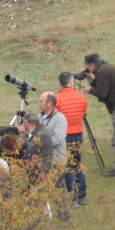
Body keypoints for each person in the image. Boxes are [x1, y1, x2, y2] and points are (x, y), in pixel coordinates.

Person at [82, 53, 115, 177]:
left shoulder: (103, 71)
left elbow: (103, 94)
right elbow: (104, 87)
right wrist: (91, 80)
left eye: (87, 67)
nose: (88, 70)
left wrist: (90, 90)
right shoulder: (106, 68)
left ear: (92, 65)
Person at [56, 72, 88, 207]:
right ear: (72, 82)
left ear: (60, 84)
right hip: (78, 133)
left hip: (65, 135)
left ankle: (72, 197)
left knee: (67, 166)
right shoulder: (81, 97)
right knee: (77, 164)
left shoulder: (57, 99)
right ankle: (82, 195)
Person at [19, 113, 54, 182]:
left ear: (33, 124)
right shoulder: (39, 131)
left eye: (25, 124)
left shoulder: (41, 134)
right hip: (40, 168)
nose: (23, 126)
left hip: (42, 170)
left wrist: (22, 134)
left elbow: (28, 148)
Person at [38, 92, 68, 167]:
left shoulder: (60, 118)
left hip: (55, 163)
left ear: (49, 103)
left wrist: (39, 144)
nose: (39, 103)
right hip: (41, 162)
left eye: (41, 101)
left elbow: (58, 138)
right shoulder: (39, 117)